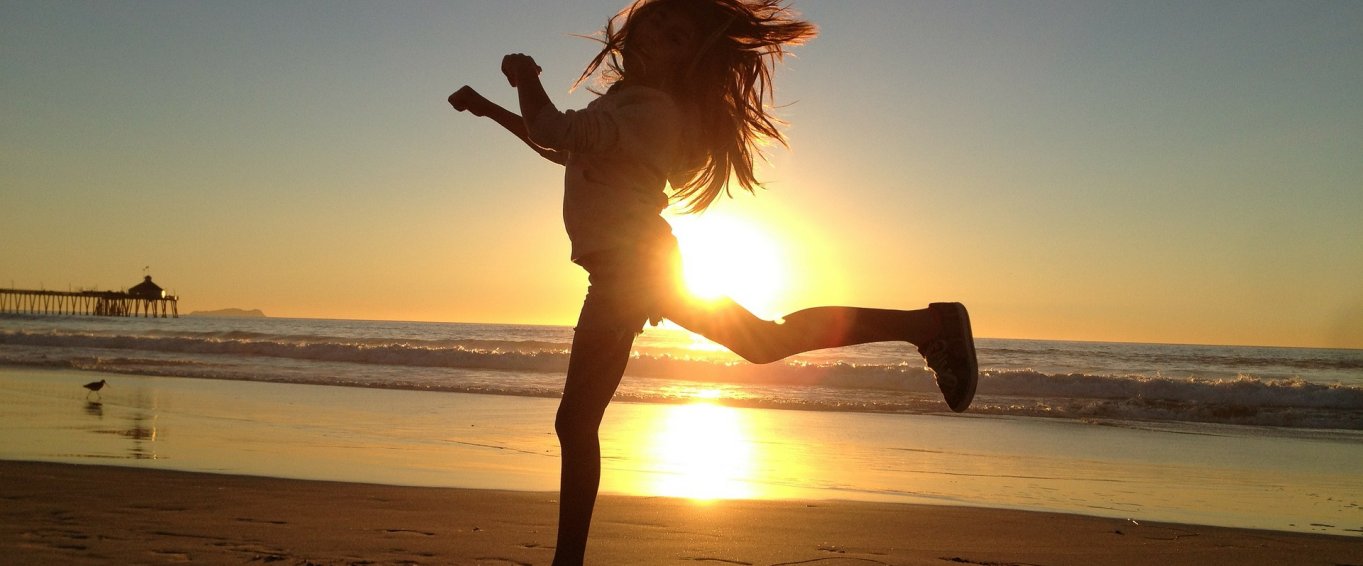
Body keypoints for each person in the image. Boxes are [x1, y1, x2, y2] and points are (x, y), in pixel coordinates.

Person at [448, 1, 977, 563]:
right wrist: (491, 110)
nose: (657, 39)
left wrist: (526, 78)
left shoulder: (653, 111)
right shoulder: (630, 105)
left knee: (578, 420)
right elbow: (562, 145)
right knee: (758, 342)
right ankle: (928, 324)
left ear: (690, 60)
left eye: (677, 38)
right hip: (633, 268)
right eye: (654, 27)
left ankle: (568, 562)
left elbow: (555, 128)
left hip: (630, 272)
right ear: (631, 34)